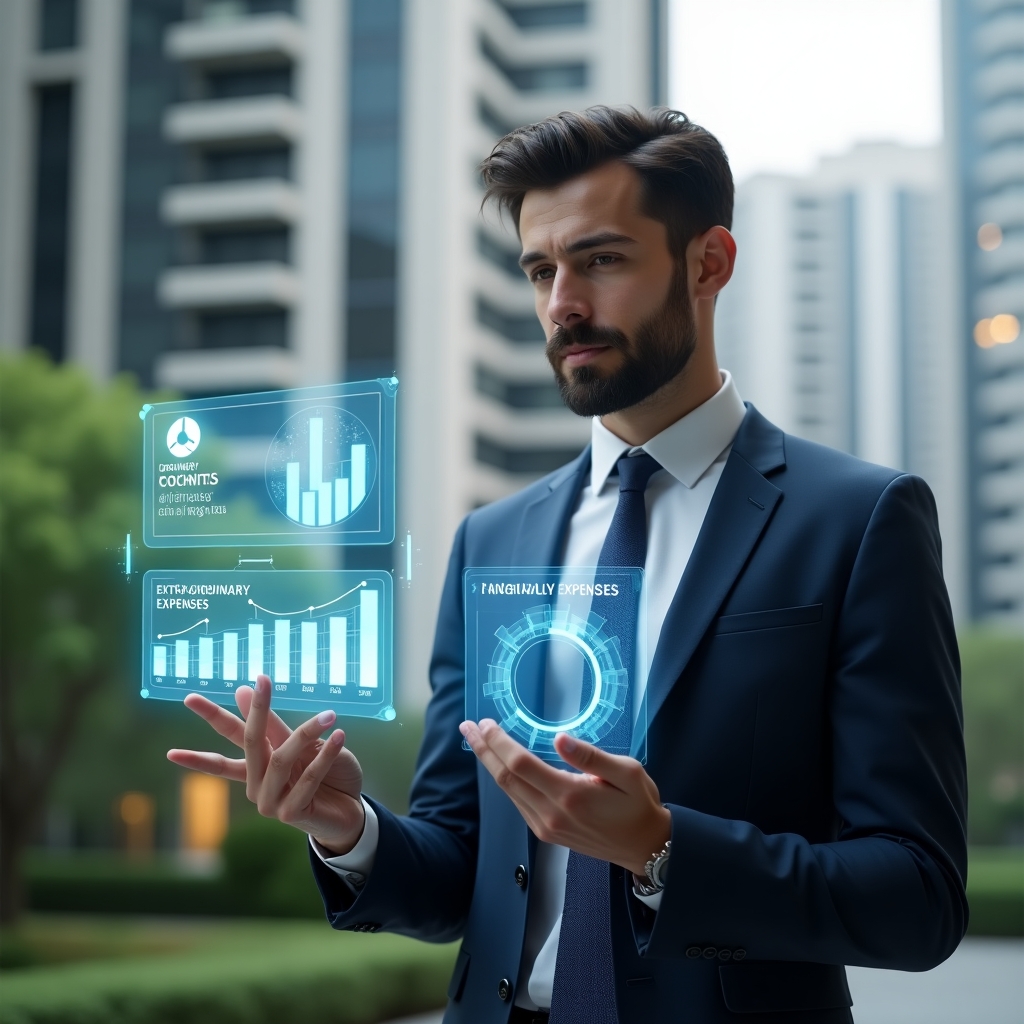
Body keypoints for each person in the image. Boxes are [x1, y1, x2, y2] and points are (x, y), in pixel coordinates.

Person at [169, 107, 968, 1024]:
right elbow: (465, 875)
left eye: (602, 260)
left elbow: (918, 897)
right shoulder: (493, 541)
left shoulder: (856, 519)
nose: (562, 305)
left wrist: (663, 850)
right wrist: (348, 829)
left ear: (709, 263)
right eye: (542, 270)